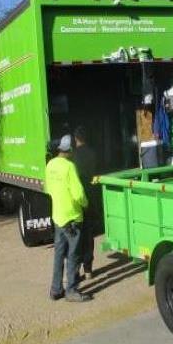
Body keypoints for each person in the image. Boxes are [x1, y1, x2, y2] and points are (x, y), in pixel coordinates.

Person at [45, 135, 91, 302]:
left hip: (58, 217)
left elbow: (48, 189)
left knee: (59, 254)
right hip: (72, 218)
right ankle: (71, 290)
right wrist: (86, 203)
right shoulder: (70, 167)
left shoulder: (50, 165)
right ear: (70, 150)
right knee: (73, 254)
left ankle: (56, 289)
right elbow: (78, 193)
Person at [72, 125, 99, 280]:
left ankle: (75, 268)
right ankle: (88, 269)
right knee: (89, 235)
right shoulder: (93, 153)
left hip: (78, 199)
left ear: (76, 139)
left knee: (77, 235)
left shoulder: (73, 157)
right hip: (91, 197)